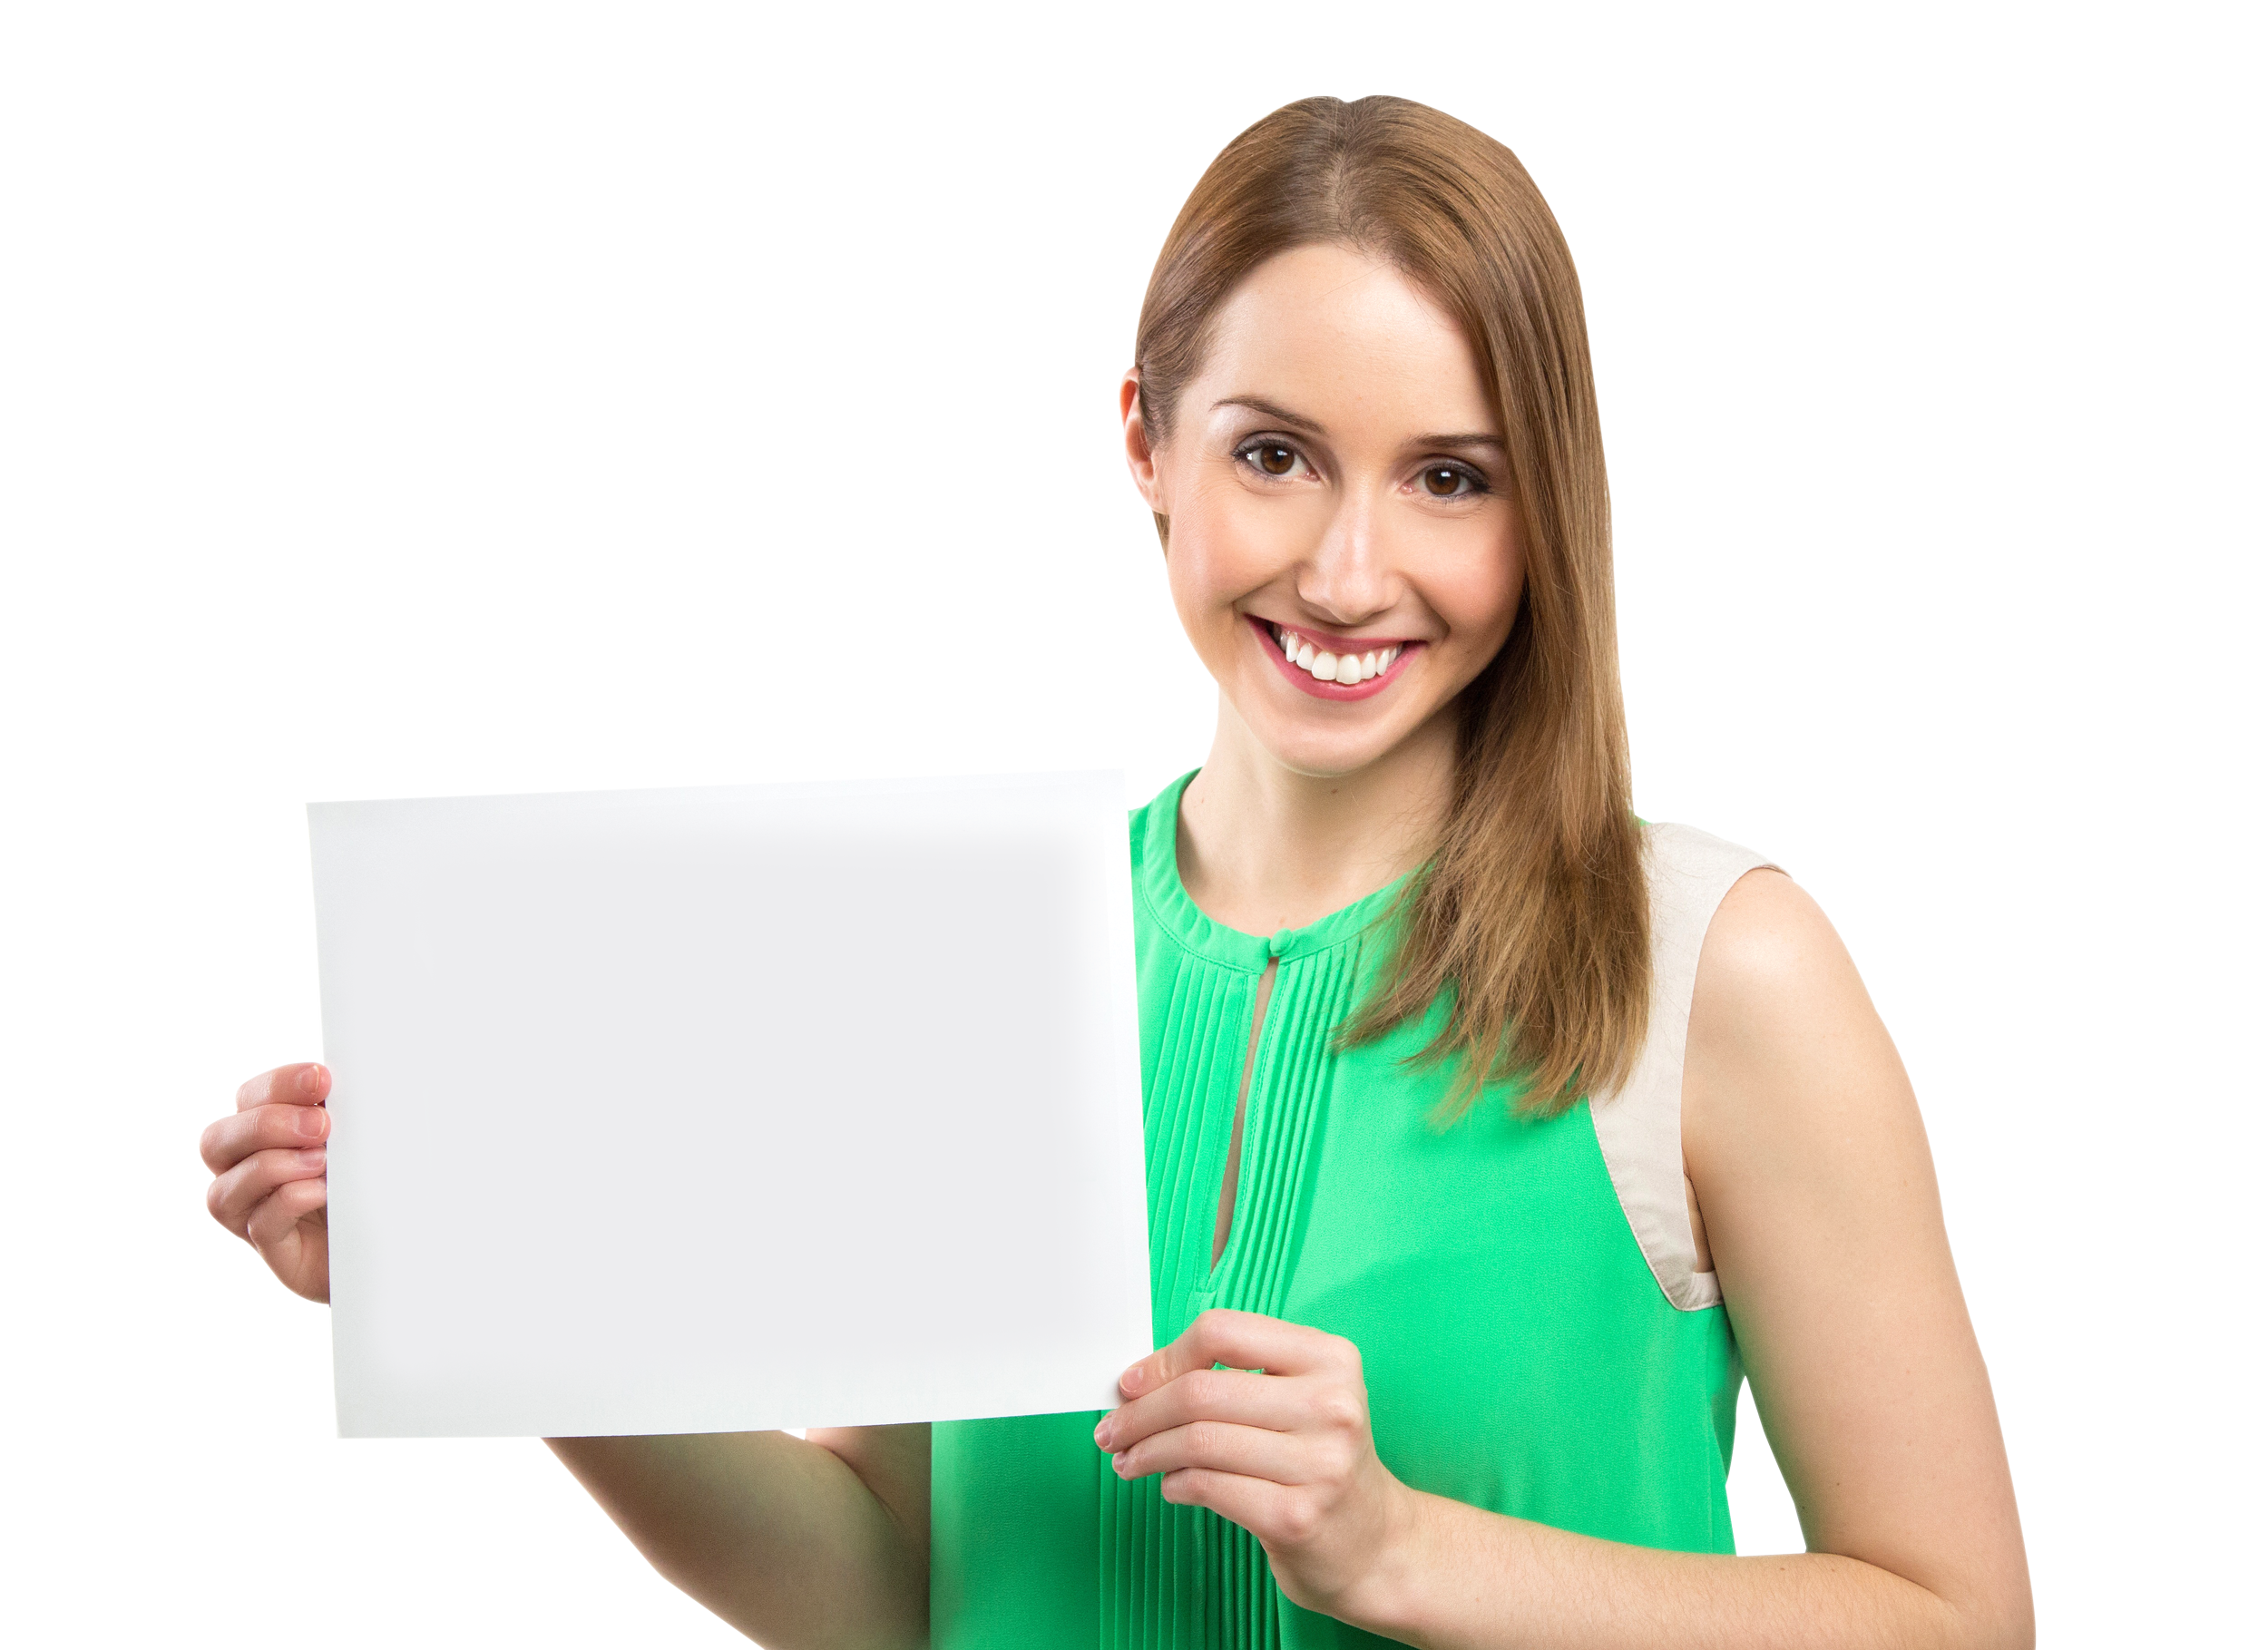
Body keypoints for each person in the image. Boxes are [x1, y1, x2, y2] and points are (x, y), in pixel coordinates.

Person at [198, 94, 2033, 1649]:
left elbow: (1955, 1617)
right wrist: (483, 1294)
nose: (1342, 568)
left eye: (1449, 479)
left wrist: (1401, 1549)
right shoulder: (988, 950)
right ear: (1146, 443)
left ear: (1548, 500)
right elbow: (887, 1583)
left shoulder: (1716, 970)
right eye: (1273, 456)